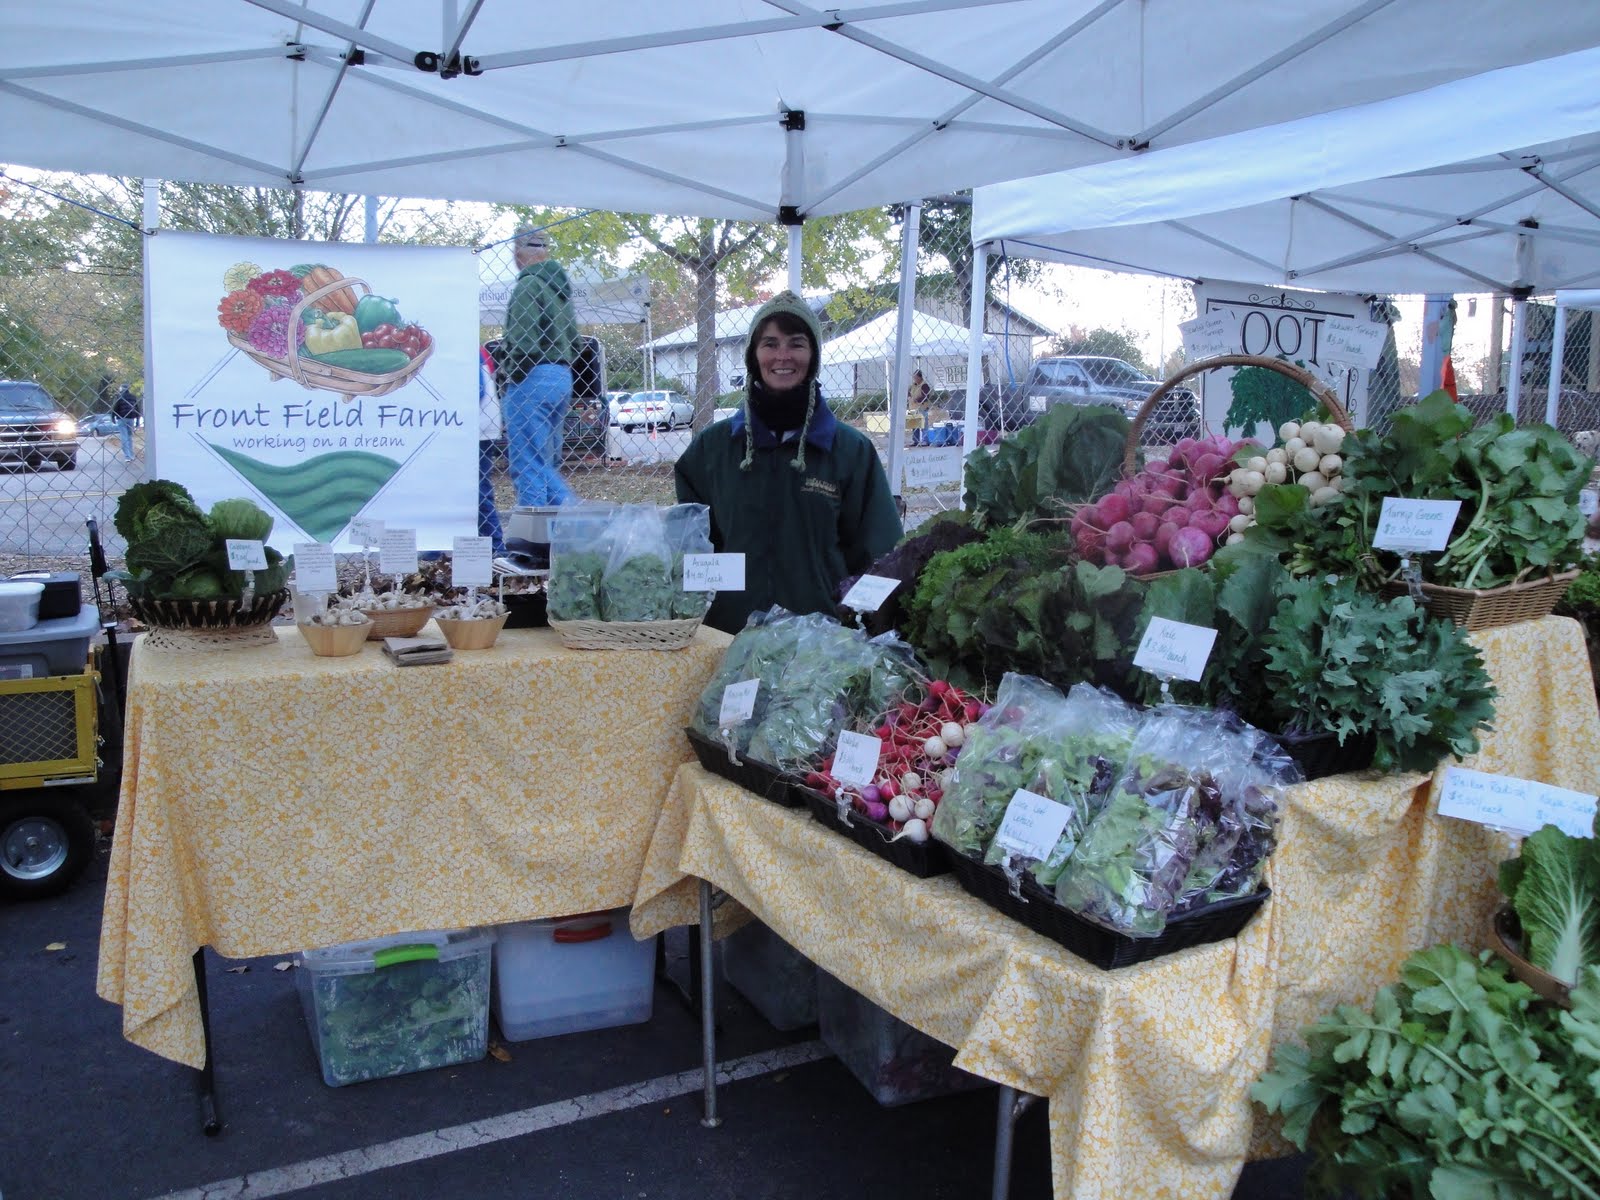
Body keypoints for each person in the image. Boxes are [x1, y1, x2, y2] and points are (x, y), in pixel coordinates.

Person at [675, 291, 903, 634]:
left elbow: (878, 556)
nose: (782, 356)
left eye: (796, 344)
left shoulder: (850, 451)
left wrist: (870, 634)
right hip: (727, 638)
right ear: (754, 355)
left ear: (812, 356)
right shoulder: (712, 450)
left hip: (820, 644)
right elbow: (690, 552)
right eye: (770, 344)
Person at [500, 228, 579, 506]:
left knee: (528, 463)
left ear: (518, 253)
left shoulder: (528, 285)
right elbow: (575, 341)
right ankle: (566, 532)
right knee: (544, 462)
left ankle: (535, 541)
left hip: (532, 377)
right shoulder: (558, 290)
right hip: (562, 375)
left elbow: (524, 343)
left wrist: (512, 376)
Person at [477, 346, 507, 554]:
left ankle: (496, 545)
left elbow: (478, 388)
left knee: (479, 489)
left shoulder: (464, 344)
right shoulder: (478, 349)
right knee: (479, 487)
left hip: (476, 425)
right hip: (483, 424)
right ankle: (494, 544)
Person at [112, 384, 139, 461]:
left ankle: (127, 456)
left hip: (121, 418)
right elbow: (137, 409)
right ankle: (131, 455)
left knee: (124, 437)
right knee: (129, 437)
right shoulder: (133, 397)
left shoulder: (119, 397)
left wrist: (113, 417)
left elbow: (115, 408)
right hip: (131, 418)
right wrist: (137, 420)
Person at [907, 369, 932, 446]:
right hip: (913, 408)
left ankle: (925, 440)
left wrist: (916, 400)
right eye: (914, 378)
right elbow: (908, 393)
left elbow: (926, 396)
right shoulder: (913, 385)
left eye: (916, 377)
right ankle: (915, 440)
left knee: (923, 425)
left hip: (922, 407)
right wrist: (909, 397)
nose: (914, 379)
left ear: (920, 377)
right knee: (914, 426)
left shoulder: (924, 385)